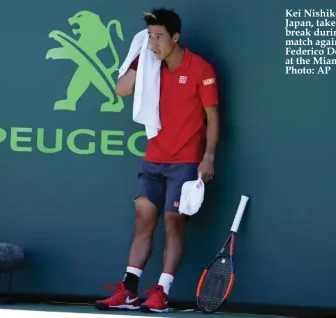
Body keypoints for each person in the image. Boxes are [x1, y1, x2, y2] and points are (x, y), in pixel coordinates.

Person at [95, 7, 220, 313]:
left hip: (186, 162)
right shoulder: (149, 64)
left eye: (160, 37)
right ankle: (129, 289)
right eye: (150, 36)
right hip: (153, 159)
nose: (154, 43)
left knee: (173, 224)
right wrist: (142, 60)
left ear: (175, 38)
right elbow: (121, 89)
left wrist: (208, 158)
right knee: (143, 220)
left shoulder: (201, 69)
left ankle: (161, 292)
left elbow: (213, 118)